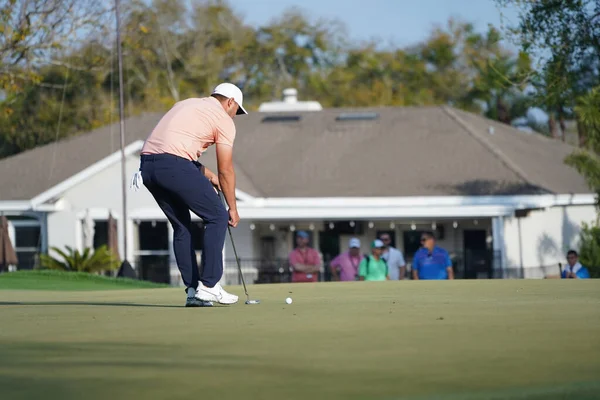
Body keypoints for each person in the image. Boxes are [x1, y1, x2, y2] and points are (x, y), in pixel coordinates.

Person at [136, 82, 247, 307]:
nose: (235, 116)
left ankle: (193, 291)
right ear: (230, 102)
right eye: (237, 111)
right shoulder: (223, 119)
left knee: (181, 226)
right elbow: (226, 169)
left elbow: (172, 150)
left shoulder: (186, 104)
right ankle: (209, 286)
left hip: (147, 168)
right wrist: (233, 209)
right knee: (217, 216)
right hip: (173, 166)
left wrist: (209, 176)